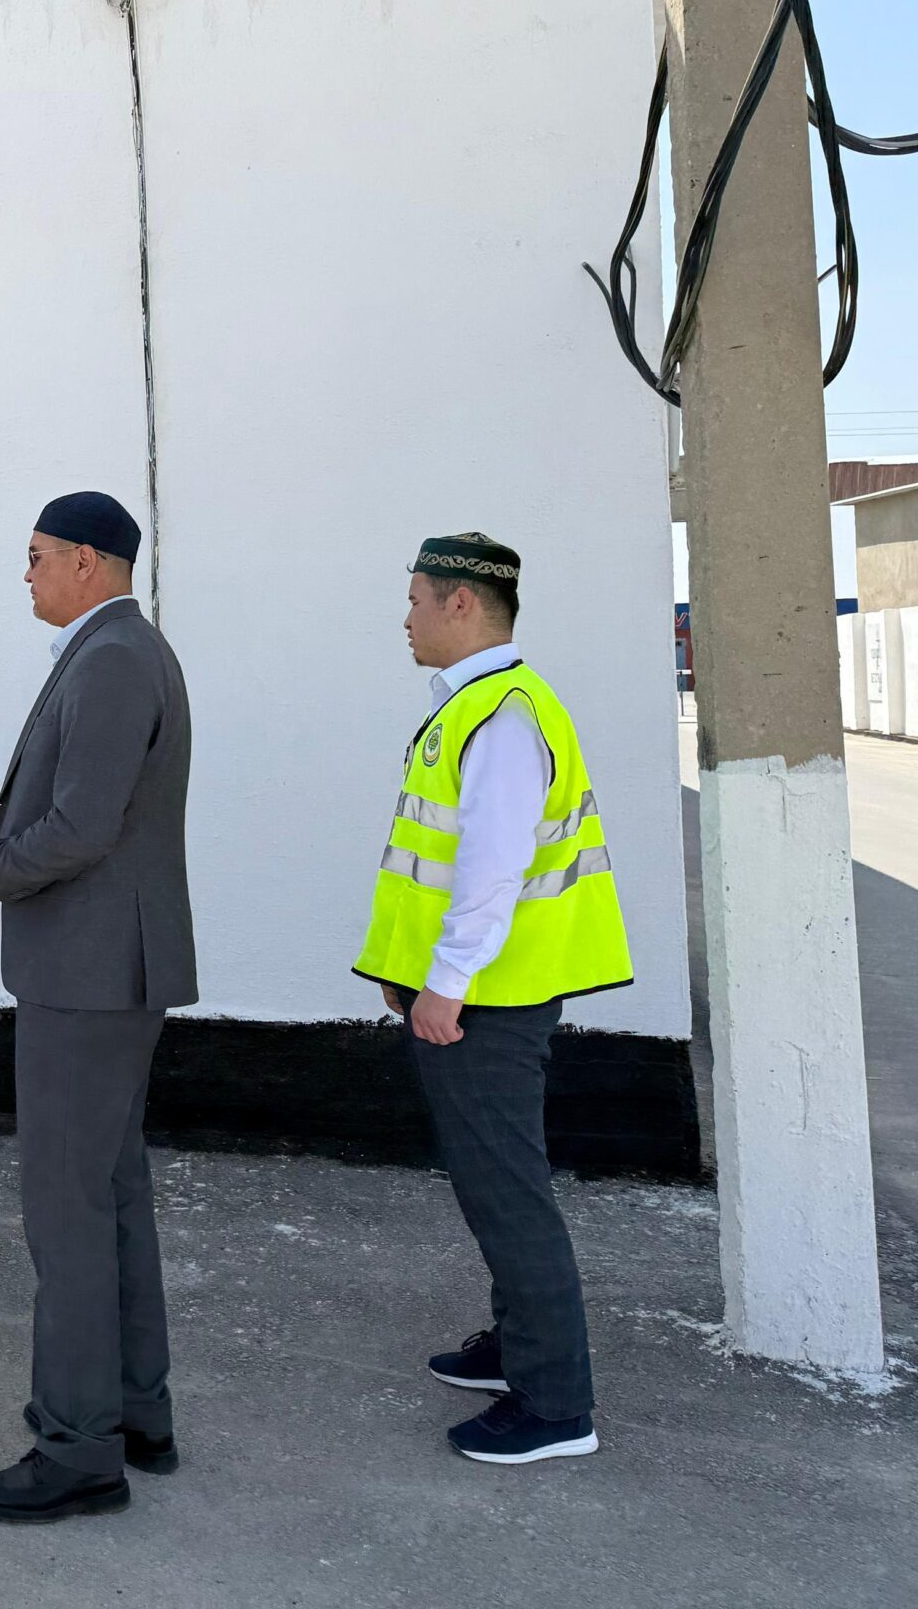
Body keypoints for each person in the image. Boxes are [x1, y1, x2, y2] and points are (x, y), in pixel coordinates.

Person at [356, 534, 631, 1466]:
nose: (406, 618)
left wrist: (444, 984)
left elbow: (491, 870)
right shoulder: (483, 705)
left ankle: (556, 1406)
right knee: (493, 1185)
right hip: (486, 992)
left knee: (509, 1195)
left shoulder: (503, 716)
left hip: (488, 1002)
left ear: (461, 604)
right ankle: (518, 1349)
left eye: (417, 599)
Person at [0, 493, 196, 1525]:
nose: (27, 574)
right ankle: (133, 1413)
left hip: (88, 975)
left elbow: (81, 826)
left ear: (88, 563)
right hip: (102, 971)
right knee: (109, 1195)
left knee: (66, 1211)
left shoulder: (111, 659)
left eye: (38, 556)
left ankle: (77, 1448)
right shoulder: (118, 651)